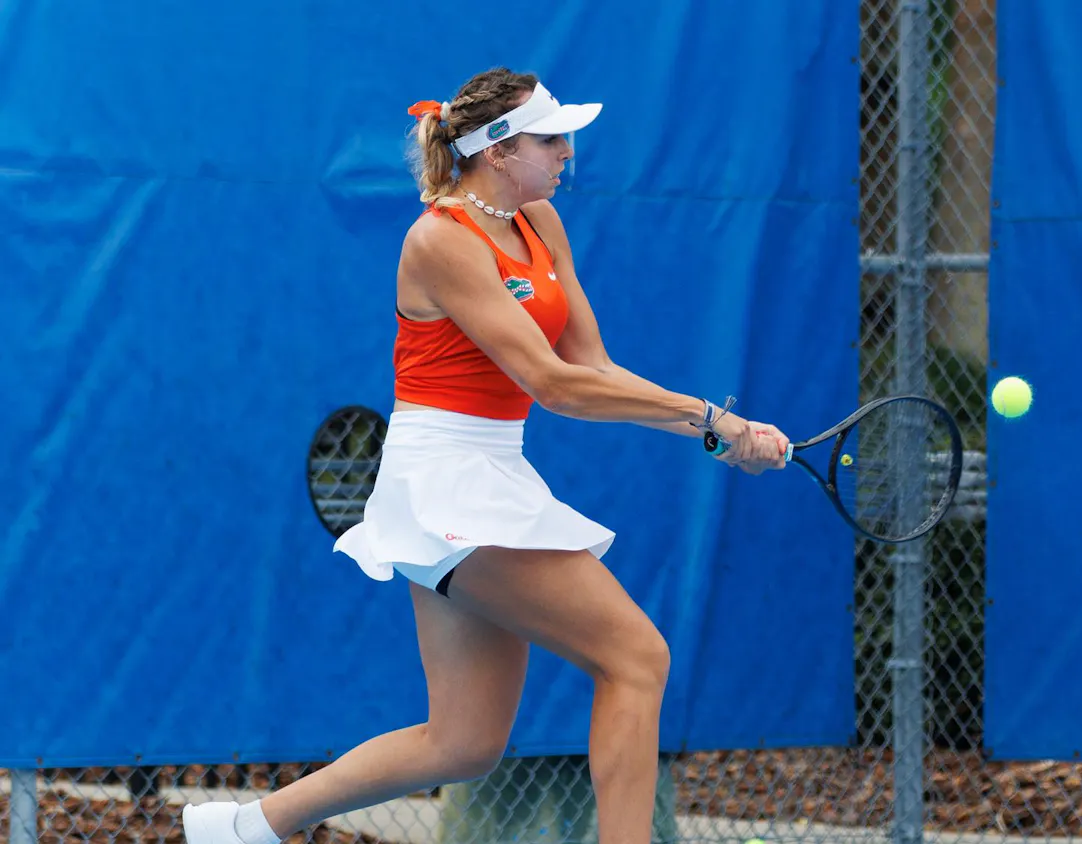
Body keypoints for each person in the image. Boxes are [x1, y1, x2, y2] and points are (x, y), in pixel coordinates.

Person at [184, 66, 789, 844]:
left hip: (491, 471)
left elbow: (592, 366)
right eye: (550, 139)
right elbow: (552, 384)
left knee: (464, 742)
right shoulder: (440, 240)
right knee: (637, 658)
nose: (568, 151)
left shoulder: (541, 222)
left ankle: (242, 828)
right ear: (498, 151)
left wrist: (716, 430)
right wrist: (712, 419)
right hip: (443, 479)